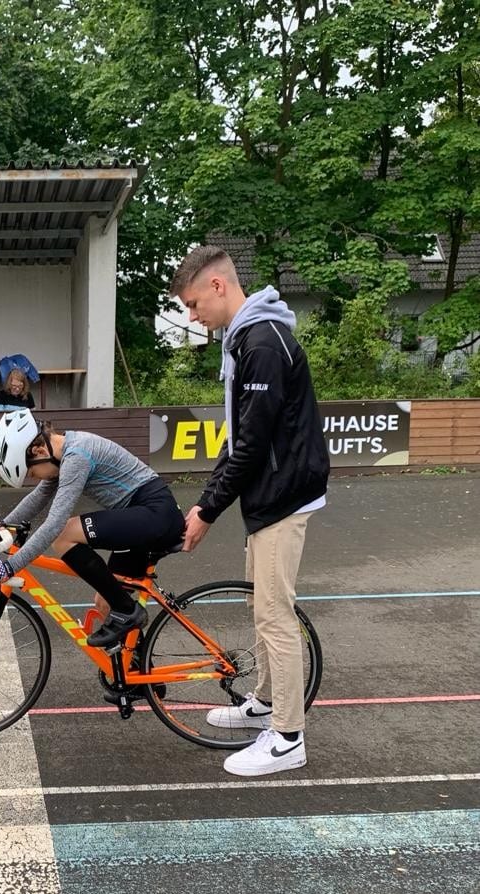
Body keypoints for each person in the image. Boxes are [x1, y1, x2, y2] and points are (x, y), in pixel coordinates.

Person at [170, 245, 329, 778]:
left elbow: (253, 445)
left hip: (283, 497)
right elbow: (240, 440)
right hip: (268, 498)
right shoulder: (248, 339)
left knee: (275, 617)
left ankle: (287, 738)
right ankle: (264, 704)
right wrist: (206, 501)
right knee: (260, 605)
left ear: (218, 286)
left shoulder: (262, 341)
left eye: (193, 304)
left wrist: (207, 511)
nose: (193, 316)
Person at [0, 410, 185, 658]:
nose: (34, 478)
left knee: (64, 534)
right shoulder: (61, 453)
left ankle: (128, 611)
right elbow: (39, 497)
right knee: (105, 602)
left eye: (31, 473)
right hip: (141, 515)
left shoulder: (76, 456)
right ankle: (138, 675)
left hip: (154, 512)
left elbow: (54, 524)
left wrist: (9, 567)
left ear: (39, 451)